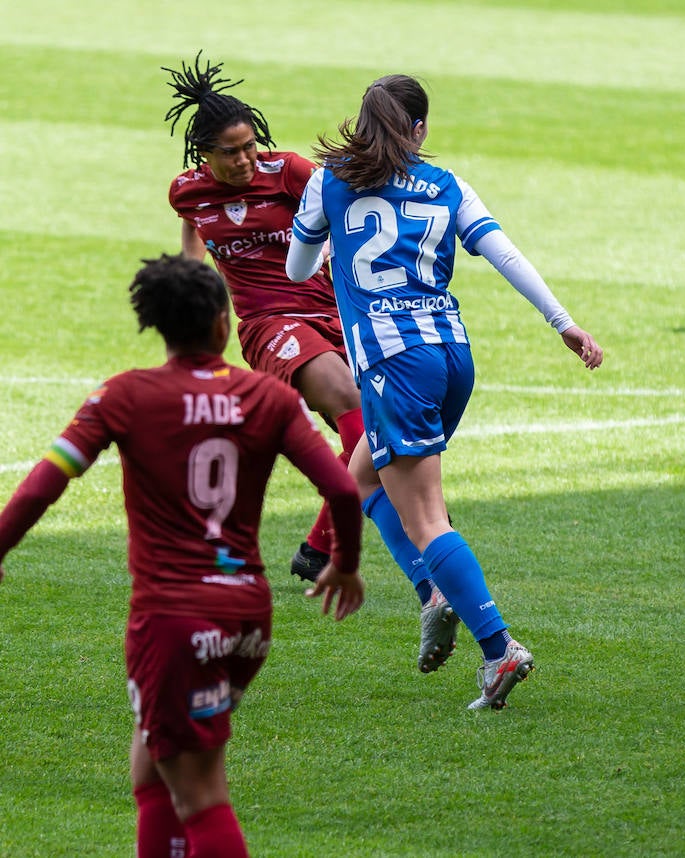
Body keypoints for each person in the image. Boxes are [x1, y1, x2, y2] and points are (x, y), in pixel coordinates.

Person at [0, 255, 364, 858]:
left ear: (158, 329)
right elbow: (344, 487)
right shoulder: (266, 398)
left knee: (198, 792)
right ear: (224, 322)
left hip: (172, 620)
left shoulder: (125, 396)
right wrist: (344, 564)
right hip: (246, 618)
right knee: (152, 773)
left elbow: (46, 481)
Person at [286, 74, 603, 711]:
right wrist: (562, 322)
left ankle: (498, 648)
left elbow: (297, 270)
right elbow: (505, 254)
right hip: (453, 358)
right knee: (362, 482)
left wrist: (329, 245)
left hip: (393, 363)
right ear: (421, 129)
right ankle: (433, 595)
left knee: (426, 515)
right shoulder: (446, 184)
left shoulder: (330, 181)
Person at [162, 54, 455, 674]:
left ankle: (321, 546)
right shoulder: (188, 193)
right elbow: (193, 251)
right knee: (352, 404)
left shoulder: (291, 171)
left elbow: (346, 196)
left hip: (338, 310)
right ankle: (417, 579)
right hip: (272, 326)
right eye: (228, 153)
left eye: (249, 148)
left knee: (382, 430)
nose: (243, 161)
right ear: (202, 156)